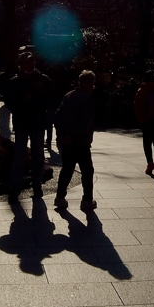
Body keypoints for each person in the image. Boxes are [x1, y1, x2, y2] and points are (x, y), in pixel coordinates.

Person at [3, 50, 54, 203]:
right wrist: (22, 102)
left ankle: (37, 184)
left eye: (32, 62)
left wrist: (40, 104)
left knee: (38, 155)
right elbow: (8, 100)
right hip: (22, 122)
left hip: (37, 122)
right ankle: (15, 188)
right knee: (20, 156)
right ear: (21, 64)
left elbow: (51, 96)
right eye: (27, 62)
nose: (30, 65)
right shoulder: (15, 81)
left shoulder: (43, 79)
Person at [53, 70, 97, 212]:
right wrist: (77, 136)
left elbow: (57, 116)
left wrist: (62, 135)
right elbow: (85, 123)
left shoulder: (68, 96)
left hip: (67, 141)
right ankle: (87, 200)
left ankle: (60, 197)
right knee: (87, 171)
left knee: (67, 169)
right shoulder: (88, 100)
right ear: (88, 83)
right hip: (80, 142)